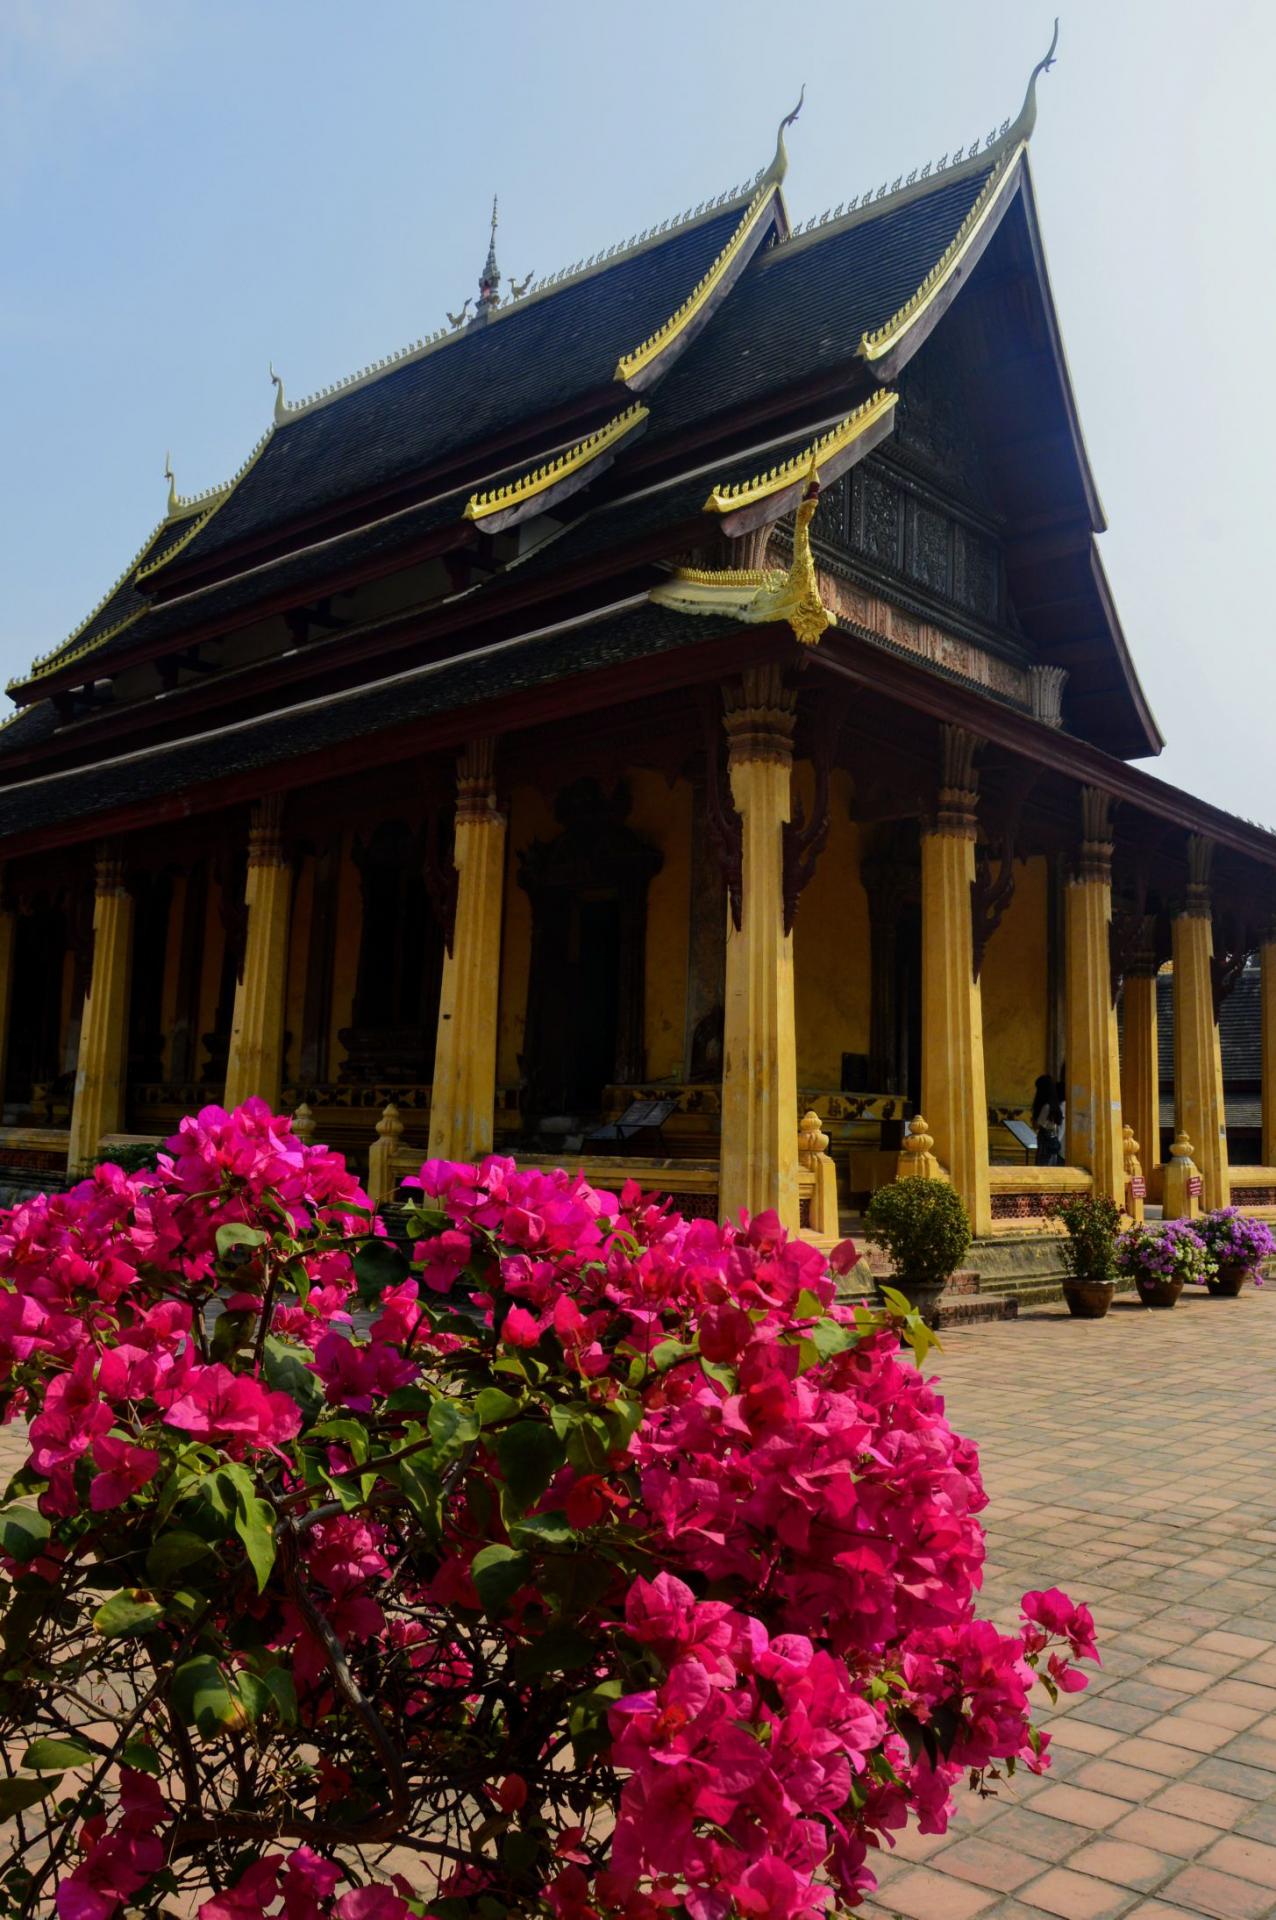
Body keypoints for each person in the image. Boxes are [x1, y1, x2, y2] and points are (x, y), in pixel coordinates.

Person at [1032, 1073, 1064, 1166]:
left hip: (1045, 1143)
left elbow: (1037, 1125)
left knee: (1043, 1165)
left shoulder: (1046, 1107)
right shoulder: (1056, 1106)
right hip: (1053, 1141)